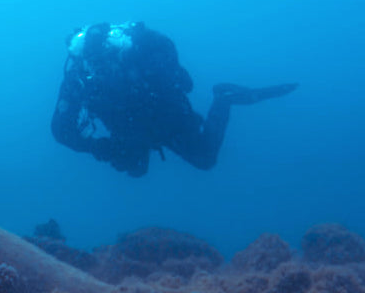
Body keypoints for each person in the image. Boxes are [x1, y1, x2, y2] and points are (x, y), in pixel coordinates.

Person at [50, 21, 297, 177]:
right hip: (130, 132)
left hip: (167, 118)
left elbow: (179, 77)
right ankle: (134, 148)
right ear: (80, 60)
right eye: (92, 62)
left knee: (205, 159)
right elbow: (61, 131)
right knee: (135, 170)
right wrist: (100, 147)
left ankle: (223, 97)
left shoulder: (135, 55)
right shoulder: (78, 79)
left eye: (103, 59)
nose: (100, 67)